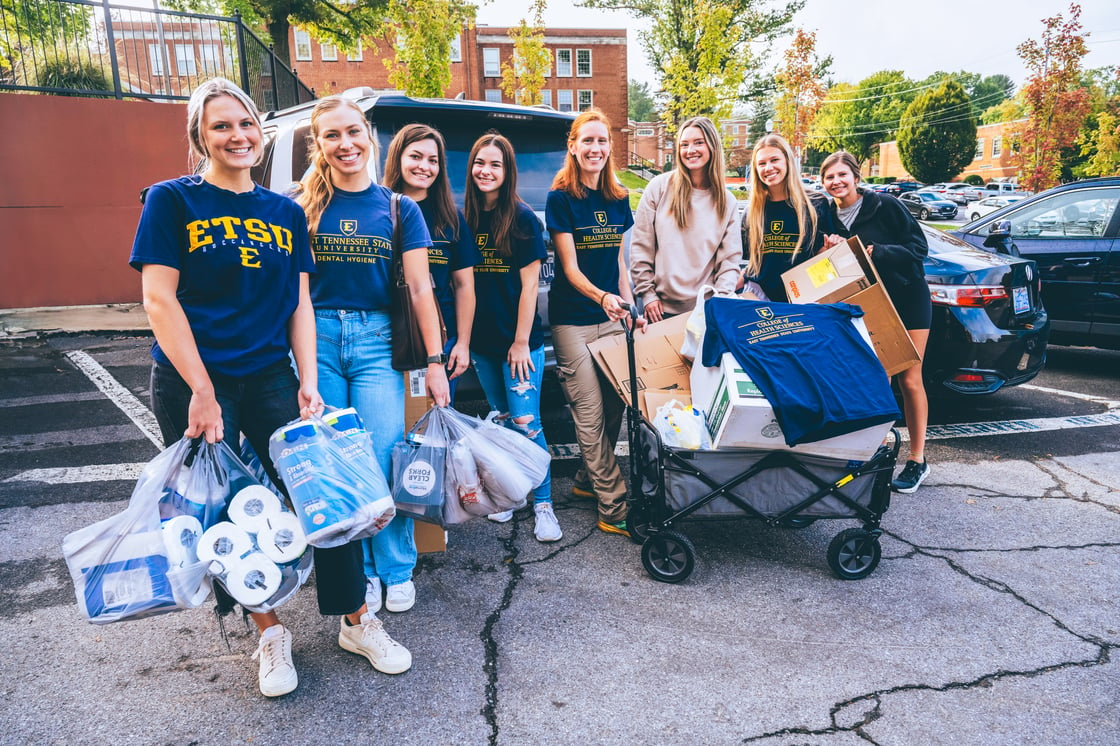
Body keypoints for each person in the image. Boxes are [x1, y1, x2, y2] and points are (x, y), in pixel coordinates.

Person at [130, 78, 409, 700]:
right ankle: (268, 631)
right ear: (199, 135)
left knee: (325, 492)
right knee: (228, 510)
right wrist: (201, 388)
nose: (237, 136)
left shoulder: (284, 210)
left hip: (269, 376)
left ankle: (356, 620)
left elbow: (300, 305)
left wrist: (310, 383)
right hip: (194, 380)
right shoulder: (173, 202)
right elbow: (158, 297)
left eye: (246, 124)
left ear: (264, 133)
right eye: (222, 125)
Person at [292, 97, 450, 616]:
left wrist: (435, 359)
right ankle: (359, 575)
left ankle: (397, 566)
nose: (346, 144)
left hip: (377, 342)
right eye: (332, 136)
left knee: (386, 458)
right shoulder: (301, 208)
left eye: (353, 132)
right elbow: (293, 292)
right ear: (319, 145)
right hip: (317, 339)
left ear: (369, 137)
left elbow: (422, 289)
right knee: (339, 463)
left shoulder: (398, 208)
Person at [545, 109, 642, 537]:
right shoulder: (561, 198)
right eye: (587, 141)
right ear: (573, 146)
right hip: (575, 321)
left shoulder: (620, 198)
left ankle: (587, 479)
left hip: (615, 315)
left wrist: (630, 306)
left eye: (602, 141)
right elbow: (569, 269)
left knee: (619, 401)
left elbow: (618, 263)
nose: (596, 149)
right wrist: (603, 298)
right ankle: (614, 505)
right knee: (588, 412)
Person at [464, 132, 560, 542]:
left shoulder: (521, 218)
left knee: (528, 423)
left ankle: (544, 504)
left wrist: (520, 342)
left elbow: (528, 288)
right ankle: (510, 496)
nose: (486, 171)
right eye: (480, 163)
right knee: (502, 422)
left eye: (495, 165)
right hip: (483, 345)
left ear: (507, 172)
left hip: (518, 345)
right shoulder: (465, 216)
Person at [819, 150, 932, 494]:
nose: (836, 182)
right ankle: (873, 454)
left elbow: (919, 249)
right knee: (874, 379)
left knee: (910, 378)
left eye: (842, 175)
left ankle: (917, 459)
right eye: (829, 178)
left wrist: (876, 251)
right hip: (868, 305)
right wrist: (827, 250)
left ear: (856, 177)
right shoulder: (825, 215)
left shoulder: (885, 206)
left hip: (908, 298)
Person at [382, 123, 481, 401]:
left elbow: (464, 286)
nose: (424, 166)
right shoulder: (380, 208)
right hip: (384, 337)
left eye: (433, 160)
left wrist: (462, 343)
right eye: (415, 156)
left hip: (440, 338)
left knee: (434, 427)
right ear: (398, 158)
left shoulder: (450, 217)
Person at [630, 116, 742, 321]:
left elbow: (729, 261)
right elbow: (640, 246)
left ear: (712, 145)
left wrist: (721, 300)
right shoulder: (659, 188)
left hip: (706, 310)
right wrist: (647, 294)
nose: (690, 150)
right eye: (684, 144)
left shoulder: (727, 201)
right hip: (659, 309)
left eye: (698, 142)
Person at [741, 133, 836, 301]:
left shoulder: (816, 204)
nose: (768, 168)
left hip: (805, 297)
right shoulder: (752, 212)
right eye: (761, 163)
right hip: (761, 298)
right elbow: (750, 262)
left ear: (787, 161)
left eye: (774, 160)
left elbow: (826, 255)